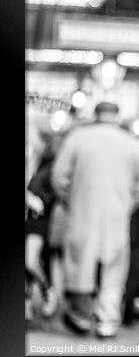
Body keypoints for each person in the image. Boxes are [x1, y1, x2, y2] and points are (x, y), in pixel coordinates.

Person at [51, 101, 139, 338]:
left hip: (82, 211)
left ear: (96, 115)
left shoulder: (77, 138)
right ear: (117, 116)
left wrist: (71, 199)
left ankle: (82, 315)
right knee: (114, 267)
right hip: (117, 215)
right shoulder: (134, 144)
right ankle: (108, 320)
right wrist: (126, 204)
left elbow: (59, 177)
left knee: (80, 264)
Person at [25, 132, 59, 323]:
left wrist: (37, 200)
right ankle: (26, 303)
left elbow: (54, 191)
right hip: (29, 219)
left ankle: (48, 290)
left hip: (38, 219)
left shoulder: (50, 164)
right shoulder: (33, 161)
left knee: (30, 261)